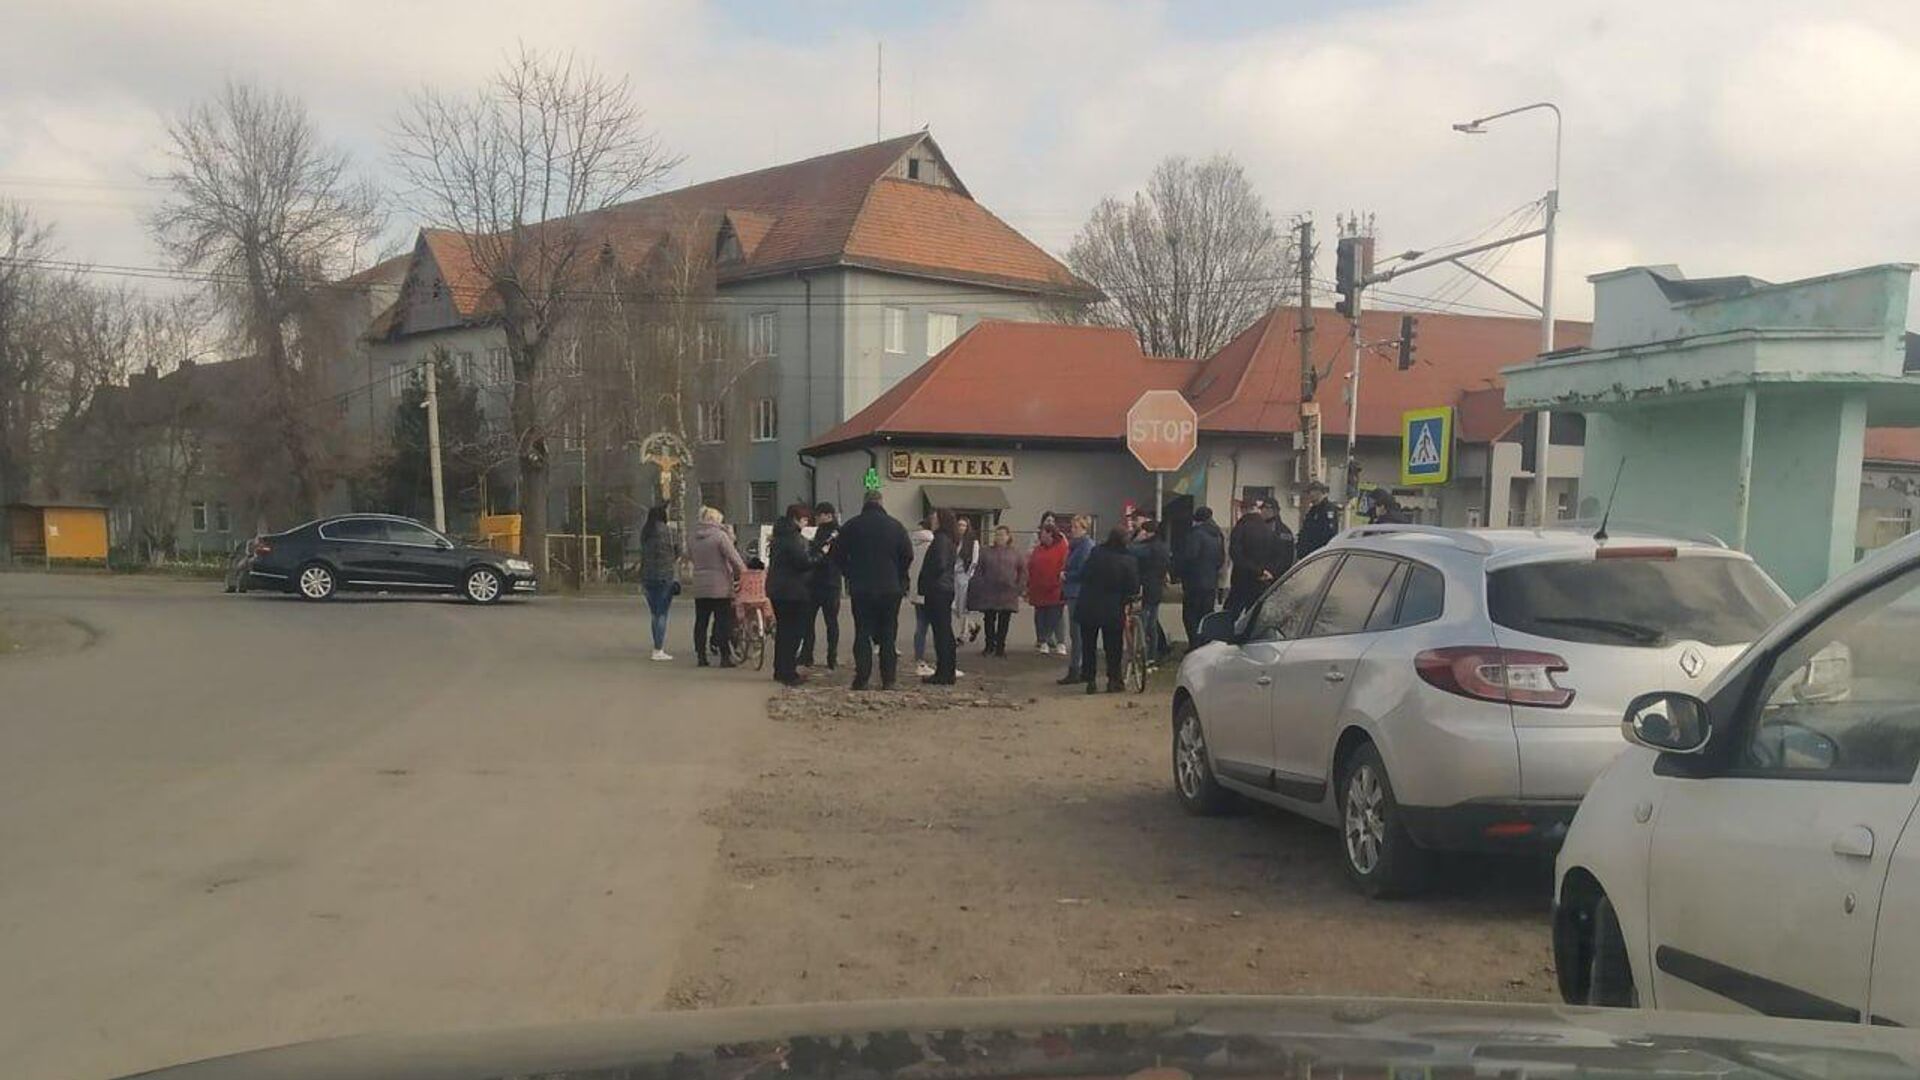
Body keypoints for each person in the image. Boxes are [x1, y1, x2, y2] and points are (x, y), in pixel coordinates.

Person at [831, 490, 913, 690]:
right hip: (890, 588)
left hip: (862, 588)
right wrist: (898, 575)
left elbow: (837, 555)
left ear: (864, 502)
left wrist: (850, 574)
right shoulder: (896, 526)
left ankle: (862, 678)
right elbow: (907, 555)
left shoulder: (852, 526)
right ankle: (889, 679)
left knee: (863, 632)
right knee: (888, 634)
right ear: (881, 503)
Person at [1074, 526, 1142, 693]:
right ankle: (1114, 679)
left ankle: (1090, 679)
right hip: (1113, 606)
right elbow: (1133, 587)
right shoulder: (1128, 560)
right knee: (1113, 646)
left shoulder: (1096, 553)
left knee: (1088, 644)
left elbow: (1083, 574)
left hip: (1089, 604)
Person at [766, 502, 819, 687]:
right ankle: (788, 672)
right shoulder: (792, 537)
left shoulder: (779, 535)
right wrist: (817, 558)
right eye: (804, 519)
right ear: (796, 519)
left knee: (783, 631)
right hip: (793, 591)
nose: (805, 523)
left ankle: (780, 669)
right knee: (793, 632)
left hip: (777, 589)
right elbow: (802, 562)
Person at [689, 506, 746, 667]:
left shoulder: (692, 537)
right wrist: (744, 572)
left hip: (700, 585)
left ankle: (701, 656)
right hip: (720, 585)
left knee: (701, 621)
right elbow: (734, 557)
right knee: (722, 621)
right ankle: (725, 657)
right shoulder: (720, 536)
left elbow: (690, 556)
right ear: (715, 520)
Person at [970, 524, 1025, 657]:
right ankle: (989, 646)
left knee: (1004, 621)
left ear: (1008, 537)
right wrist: (980, 585)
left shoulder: (1015, 553)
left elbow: (1022, 571)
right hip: (989, 591)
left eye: (1002, 535)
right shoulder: (986, 551)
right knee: (989, 619)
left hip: (1008, 592)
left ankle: (1000, 647)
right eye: (997, 534)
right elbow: (979, 570)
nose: (999, 537)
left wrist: (1019, 587)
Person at [919, 509, 960, 685]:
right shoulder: (946, 539)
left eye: (934, 518)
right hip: (943, 588)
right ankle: (946, 670)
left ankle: (944, 672)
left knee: (941, 632)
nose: (932, 520)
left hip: (938, 590)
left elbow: (939, 564)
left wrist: (928, 581)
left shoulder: (941, 540)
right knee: (944, 631)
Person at [798, 501, 841, 671]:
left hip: (817, 581)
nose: (816, 518)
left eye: (819, 515)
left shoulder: (829, 533)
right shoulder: (838, 532)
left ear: (828, 515)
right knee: (831, 622)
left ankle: (807, 655)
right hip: (832, 582)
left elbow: (818, 551)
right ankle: (832, 657)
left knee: (809, 621)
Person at [1176, 506, 1226, 648]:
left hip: (1194, 582)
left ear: (1196, 520)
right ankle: (1205, 644)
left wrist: (1179, 572)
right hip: (1211, 582)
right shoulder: (1217, 535)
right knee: (1206, 616)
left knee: (1190, 616)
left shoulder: (1196, 534)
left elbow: (1189, 556)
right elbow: (1220, 559)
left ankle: (1194, 645)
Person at [1056, 515, 1095, 686]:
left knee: (1077, 633)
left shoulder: (1085, 547)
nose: (1072, 530)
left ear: (1084, 529)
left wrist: (1066, 575)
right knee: (1075, 633)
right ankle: (1077, 667)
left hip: (1078, 592)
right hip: (1073, 591)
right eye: (1072, 527)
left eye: (1075, 527)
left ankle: (1077, 668)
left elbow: (1083, 570)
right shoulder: (1075, 546)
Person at [638, 504, 680, 661]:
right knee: (662, 613)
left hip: (647, 576)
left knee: (654, 613)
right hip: (665, 577)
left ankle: (657, 646)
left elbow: (643, 552)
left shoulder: (646, 532)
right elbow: (678, 552)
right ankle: (658, 649)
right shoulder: (671, 533)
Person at [1127, 518, 1172, 660]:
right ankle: (1153, 655)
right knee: (1152, 622)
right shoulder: (1163, 546)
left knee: (1144, 623)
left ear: (1147, 532)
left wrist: (1135, 540)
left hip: (1147, 585)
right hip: (1157, 586)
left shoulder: (1149, 547)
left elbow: (1130, 550)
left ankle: (1143, 654)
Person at [1225, 501, 1275, 619]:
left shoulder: (1241, 527)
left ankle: (1227, 637)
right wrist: (1264, 572)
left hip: (1242, 579)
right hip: (1261, 581)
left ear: (1243, 510)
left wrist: (1254, 570)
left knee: (1230, 615)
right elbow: (1275, 553)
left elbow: (1236, 555)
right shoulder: (1267, 529)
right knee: (1254, 617)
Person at [1025, 522, 1068, 655]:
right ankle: (1043, 641)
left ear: (1049, 534)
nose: (1039, 536)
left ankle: (1060, 642)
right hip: (1038, 589)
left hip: (1055, 588)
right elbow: (1031, 566)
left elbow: (1064, 565)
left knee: (1056, 616)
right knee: (1040, 616)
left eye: (1042, 533)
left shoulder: (1063, 548)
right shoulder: (1038, 549)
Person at [906, 516, 935, 677]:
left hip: (917, 591)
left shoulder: (913, 544)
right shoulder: (934, 544)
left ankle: (919, 658)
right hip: (931, 591)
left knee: (920, 626)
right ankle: (940, 659)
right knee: (939, 626)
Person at [952, 517, 980, 644]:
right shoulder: (955, 541)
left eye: (963, 525)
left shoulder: (973, 542)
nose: (961, 528)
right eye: (959, 525)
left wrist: (968, 576)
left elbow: (974, 561)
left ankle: (963, 635)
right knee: (953, 606)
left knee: (962, 606)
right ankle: (973, 626)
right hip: (953, 575)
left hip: (964, 575)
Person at [1297, 480, 1339, 558]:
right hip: (1308, 554)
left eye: (1311, 492)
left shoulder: (1328, 509)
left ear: (1318, 492)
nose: (1309, 495)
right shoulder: (1313, 510)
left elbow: (1328, 534)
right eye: (1308, 493)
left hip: (1319, 554)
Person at [1262, 497, 1299, 581]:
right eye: (1263, 508)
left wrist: (1273, 573)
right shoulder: (1257, 528)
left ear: (1275, 511)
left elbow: (1286, 557)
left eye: (1268, 508)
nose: (1264, 511)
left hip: (1276, 577)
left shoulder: (1283, 532)